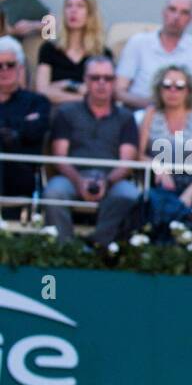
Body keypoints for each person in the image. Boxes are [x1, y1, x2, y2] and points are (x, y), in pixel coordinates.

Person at [45, 56, 142, 248]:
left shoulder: (126, 118)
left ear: (114, 82)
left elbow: (127, 162)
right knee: (54, 192)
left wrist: (106, 182)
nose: (101, 83)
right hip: (72, 177)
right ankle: (63, 251)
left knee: (129, 195)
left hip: (112, 179)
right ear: (85, 81)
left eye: (107, 78)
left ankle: (100, 247)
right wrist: (79, 181)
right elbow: (60, 158)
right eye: (95, 78)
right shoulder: (66, 112)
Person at [138, 64, 192, 239]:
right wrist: (157, 166)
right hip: (164, 182)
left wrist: (188, 195)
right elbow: (138, 154)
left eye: (179, 86)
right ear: (159, 89)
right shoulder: (151, 114)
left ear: (188, 90)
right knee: (156, 199)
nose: (172, 90)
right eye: (167, 85)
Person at [115, 0, 192, 111]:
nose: (176, 17)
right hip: (142, 113)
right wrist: (154, 105)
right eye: (172, 9)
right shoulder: (138, 42)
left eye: (184, 12)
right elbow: (119, 92)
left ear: (190, 19)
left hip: (183, 118)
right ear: (164, 12)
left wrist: (178, 105)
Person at [0, 37, 52, 220]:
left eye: (10, 65)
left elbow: (36, 130)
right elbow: (25, 130)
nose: (4, 71)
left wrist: (14, 131)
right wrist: (18, 127)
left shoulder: (36, 102)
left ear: (20, 68)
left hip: (21, 176)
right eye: (0, 66)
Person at [36, 0, 112, 108]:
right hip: (55, 112)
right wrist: (75, 87)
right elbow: (42, 91)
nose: (73, 10)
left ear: (90, 13)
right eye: (69, 6)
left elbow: (104, 94)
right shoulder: (49, 48)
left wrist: (58, 86)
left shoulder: (102, 53)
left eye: (80, 6)